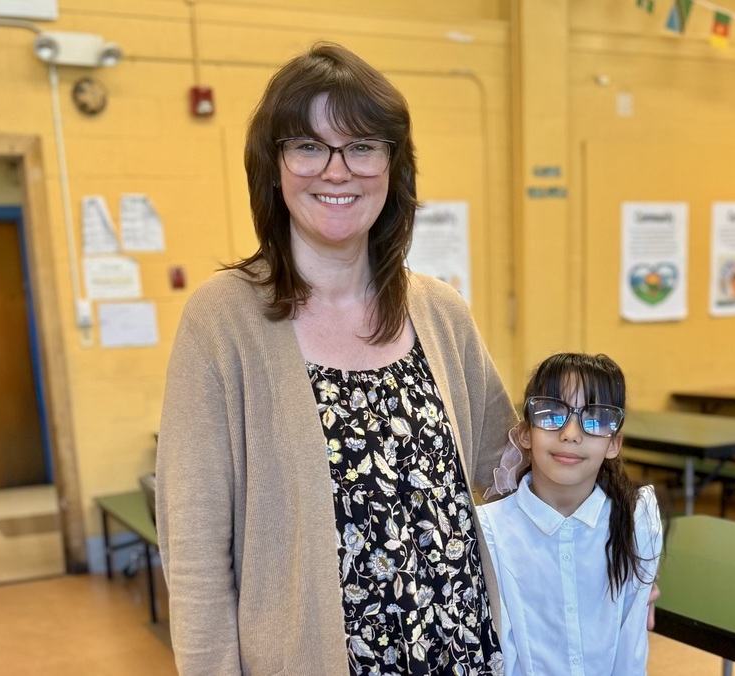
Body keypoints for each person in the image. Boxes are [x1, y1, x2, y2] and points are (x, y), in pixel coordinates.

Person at [154, 42, 518, 675]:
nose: (337, 170)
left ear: (391, 165)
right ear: (273, 167)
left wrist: (613, 556)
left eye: (361, 146)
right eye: (308, 146)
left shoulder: (441, 311)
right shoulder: (221, 322)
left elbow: (512, 475)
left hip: (462, 653)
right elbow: (194, 554)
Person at [477, 353, 663, 675]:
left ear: (614, 444)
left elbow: (630, 651)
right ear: (524, 433)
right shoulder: (490, 530)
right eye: (551, 414)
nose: (571, 433)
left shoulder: (636, 519)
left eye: (595, 418)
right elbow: (500, 654)